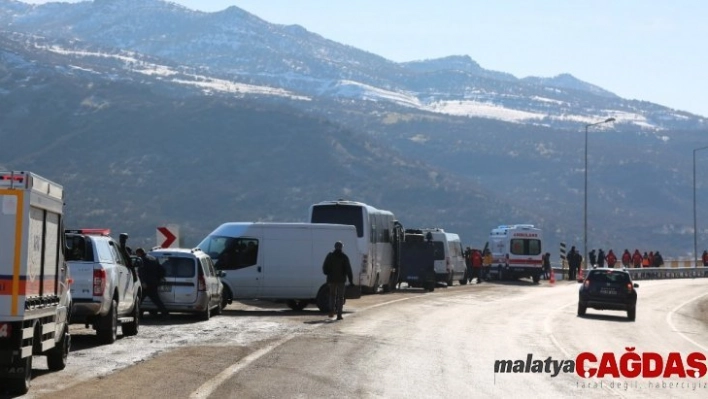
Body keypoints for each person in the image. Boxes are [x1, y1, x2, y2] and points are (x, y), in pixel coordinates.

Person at [322, 241, 353, 320]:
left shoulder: (330, 256)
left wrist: (328, 273)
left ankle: (331, 310)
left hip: (331, 279)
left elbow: (325, 267)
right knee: (340, 297)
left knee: (332, 296)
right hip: (341, 280)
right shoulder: (344, 257)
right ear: (341, 247)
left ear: (335, 247)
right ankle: (339, 314)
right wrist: (351, 280)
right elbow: (348, 269)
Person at [135, 247, 169, 318]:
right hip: (154, 282)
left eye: (137, 254)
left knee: (139, 299)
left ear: (139, 253)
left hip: (146, 284)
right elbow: (161, 270)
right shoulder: (153, 258)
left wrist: (143, 282)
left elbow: (142, 272)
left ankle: (135, 314)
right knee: (156, 299)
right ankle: (165, 313)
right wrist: (158, 279)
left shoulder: (142, 260)